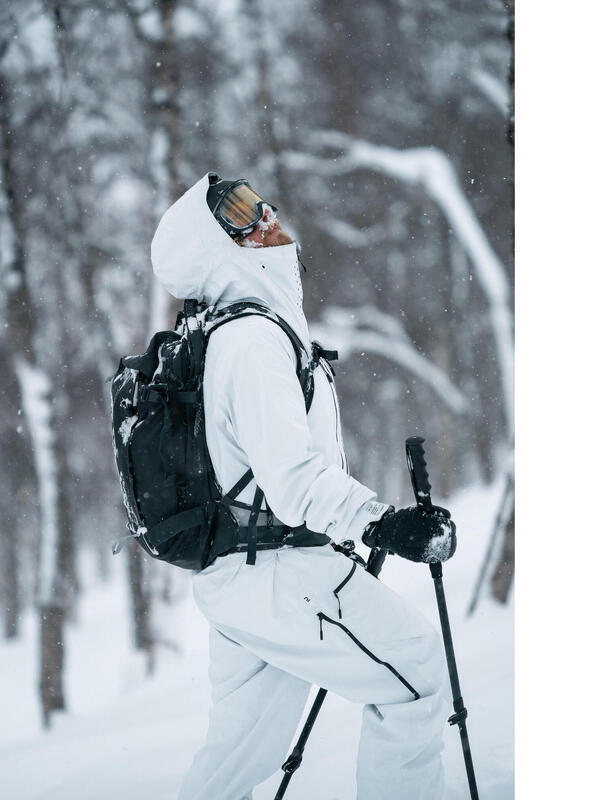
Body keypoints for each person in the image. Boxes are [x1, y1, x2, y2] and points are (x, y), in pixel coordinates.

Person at [150, 172, 457, 800]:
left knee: (238, 756)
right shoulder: (252, 339)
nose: (263, 214)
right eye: (237, 214)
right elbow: (291, 480)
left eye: (255, 200)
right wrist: (378, 521)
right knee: (417, 677)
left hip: (237, 578)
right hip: (276, 573)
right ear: (211, 249)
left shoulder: (228, 336)